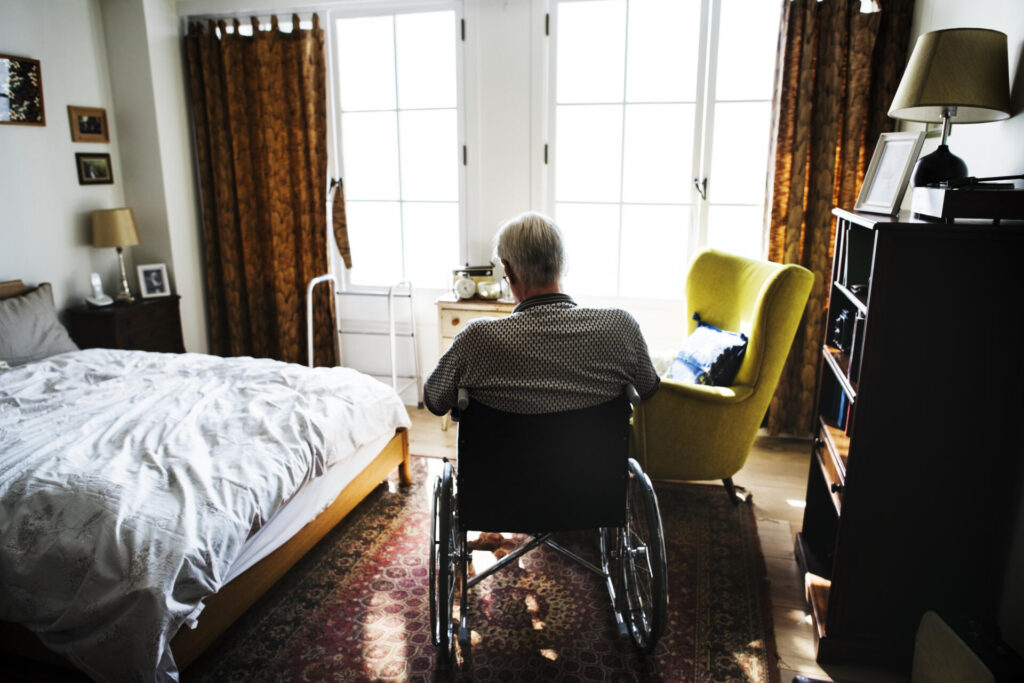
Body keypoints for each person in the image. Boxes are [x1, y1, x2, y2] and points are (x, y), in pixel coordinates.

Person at [424, 211, 660, 417]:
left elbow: (434, 400)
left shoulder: (477, 338)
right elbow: (649, 389)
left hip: (505, 469)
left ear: (508, 270)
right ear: (564, 263)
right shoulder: (620, 326)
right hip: (594, 469)